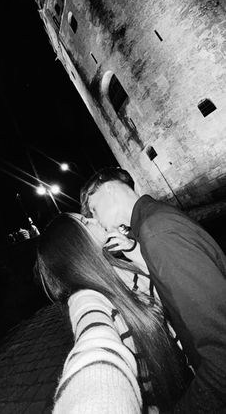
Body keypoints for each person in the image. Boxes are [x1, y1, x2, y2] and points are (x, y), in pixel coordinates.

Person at [80, 166, 226, 413]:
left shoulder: (156, 230)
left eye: (94, 209)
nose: (96, 220)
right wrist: (133, 249)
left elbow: (221, 354)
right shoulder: (154, 219)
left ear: (111, 189)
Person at [36, 212, 191, 413]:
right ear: (75, 243)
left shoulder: (116, 267)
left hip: (188, 372)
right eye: (84, 221)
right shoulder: (85, 298)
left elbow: (166, 286)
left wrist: (133, 249)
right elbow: (94, 343)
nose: (94, 219)